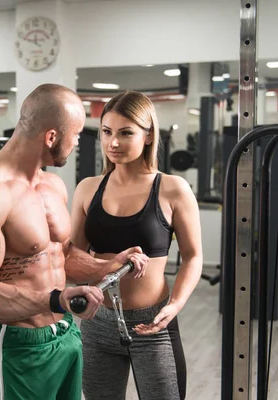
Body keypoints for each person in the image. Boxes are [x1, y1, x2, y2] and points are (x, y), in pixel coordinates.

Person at [0, 83, 149, 400]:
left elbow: (61, 253)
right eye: (76, 135)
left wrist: (108, 265)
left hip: (63, 334)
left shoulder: (51, 186)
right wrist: (56, 299)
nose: (79, 143)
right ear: (51, 137)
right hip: (14, 344)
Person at [70, 90, 203, 400]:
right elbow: (72, 256)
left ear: (147, 135)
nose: (113, 142)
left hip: (153, 326)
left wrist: (176, 304)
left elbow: (193, 256)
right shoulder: (88, 189)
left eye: (125, 133)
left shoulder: (172, 189)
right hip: (96, 324)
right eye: (106, 132)